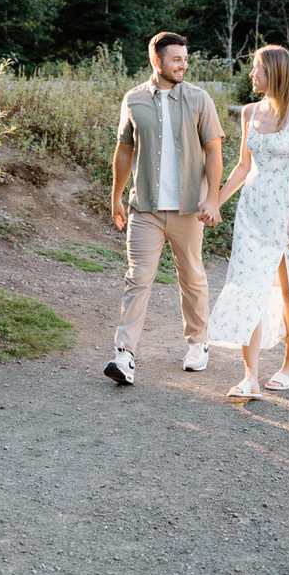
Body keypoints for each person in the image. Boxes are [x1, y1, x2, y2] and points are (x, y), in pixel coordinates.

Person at [103, 31, 224, 387]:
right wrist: (116, 197)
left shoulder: (199, 99)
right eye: (176, 59)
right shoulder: (134, 99)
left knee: (192, 278)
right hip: (145, 209)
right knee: (137, 278)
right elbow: (124, 150)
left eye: (186, 59)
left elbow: (214, 150)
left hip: (189, 208)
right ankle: (124, 355)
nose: (183, 65)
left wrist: (213, 198)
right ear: (157, 61)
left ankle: (199, 344)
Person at [207, 45, 289, 398]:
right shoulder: (250, 112)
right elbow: (243, 166)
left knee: (288, 292)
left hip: (286, 215)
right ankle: (250, 376)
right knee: (248, 289)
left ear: (276, 73)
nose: (251, 74)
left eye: (256, 68)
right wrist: (214, 202)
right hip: (251, 214)